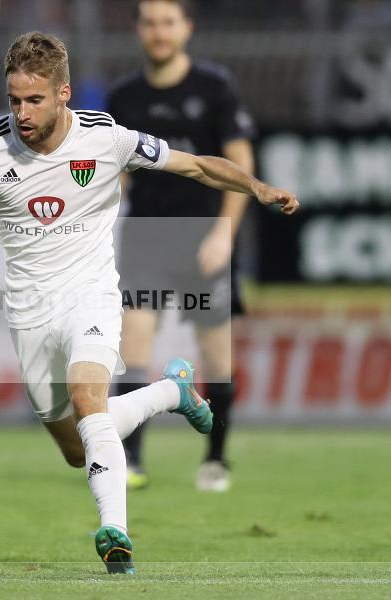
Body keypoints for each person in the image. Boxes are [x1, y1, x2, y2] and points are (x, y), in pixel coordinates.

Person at [0, 31, 298, 575]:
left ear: (63, 93)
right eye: (13, 100)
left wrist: (257, 189)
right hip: (28, 313)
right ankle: (171, 391)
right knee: (77, 448)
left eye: (34, 100)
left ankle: (115, 533)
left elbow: (195, 165)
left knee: (88, 396)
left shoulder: (108, 138)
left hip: (91, 296)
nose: (21, 113)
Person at [106, 0, 255, 492]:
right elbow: (118, 177)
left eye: (168, 21)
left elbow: (239, 167)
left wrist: (224, 234)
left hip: (202, 241)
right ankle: (130, 461)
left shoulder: (214, 89)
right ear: (138, 31)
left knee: (217, 360)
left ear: (186, 27)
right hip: (145, 240)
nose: (159, 31)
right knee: (133, 350)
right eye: (149, 22)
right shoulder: (122, 98)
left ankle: (216, 458)